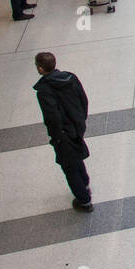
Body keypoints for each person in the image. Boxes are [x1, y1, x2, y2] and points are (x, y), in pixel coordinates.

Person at [32, 52, 93, 212]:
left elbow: (52, 116)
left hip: (63, 134)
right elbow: (83, 99)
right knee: (77, 155)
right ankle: (85, 183)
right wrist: (80, 121)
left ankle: (84, 200)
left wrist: (57, 137)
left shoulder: (44, 90)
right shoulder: (70, 78)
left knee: (69, 167)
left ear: (40, 68)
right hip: (77, 127)